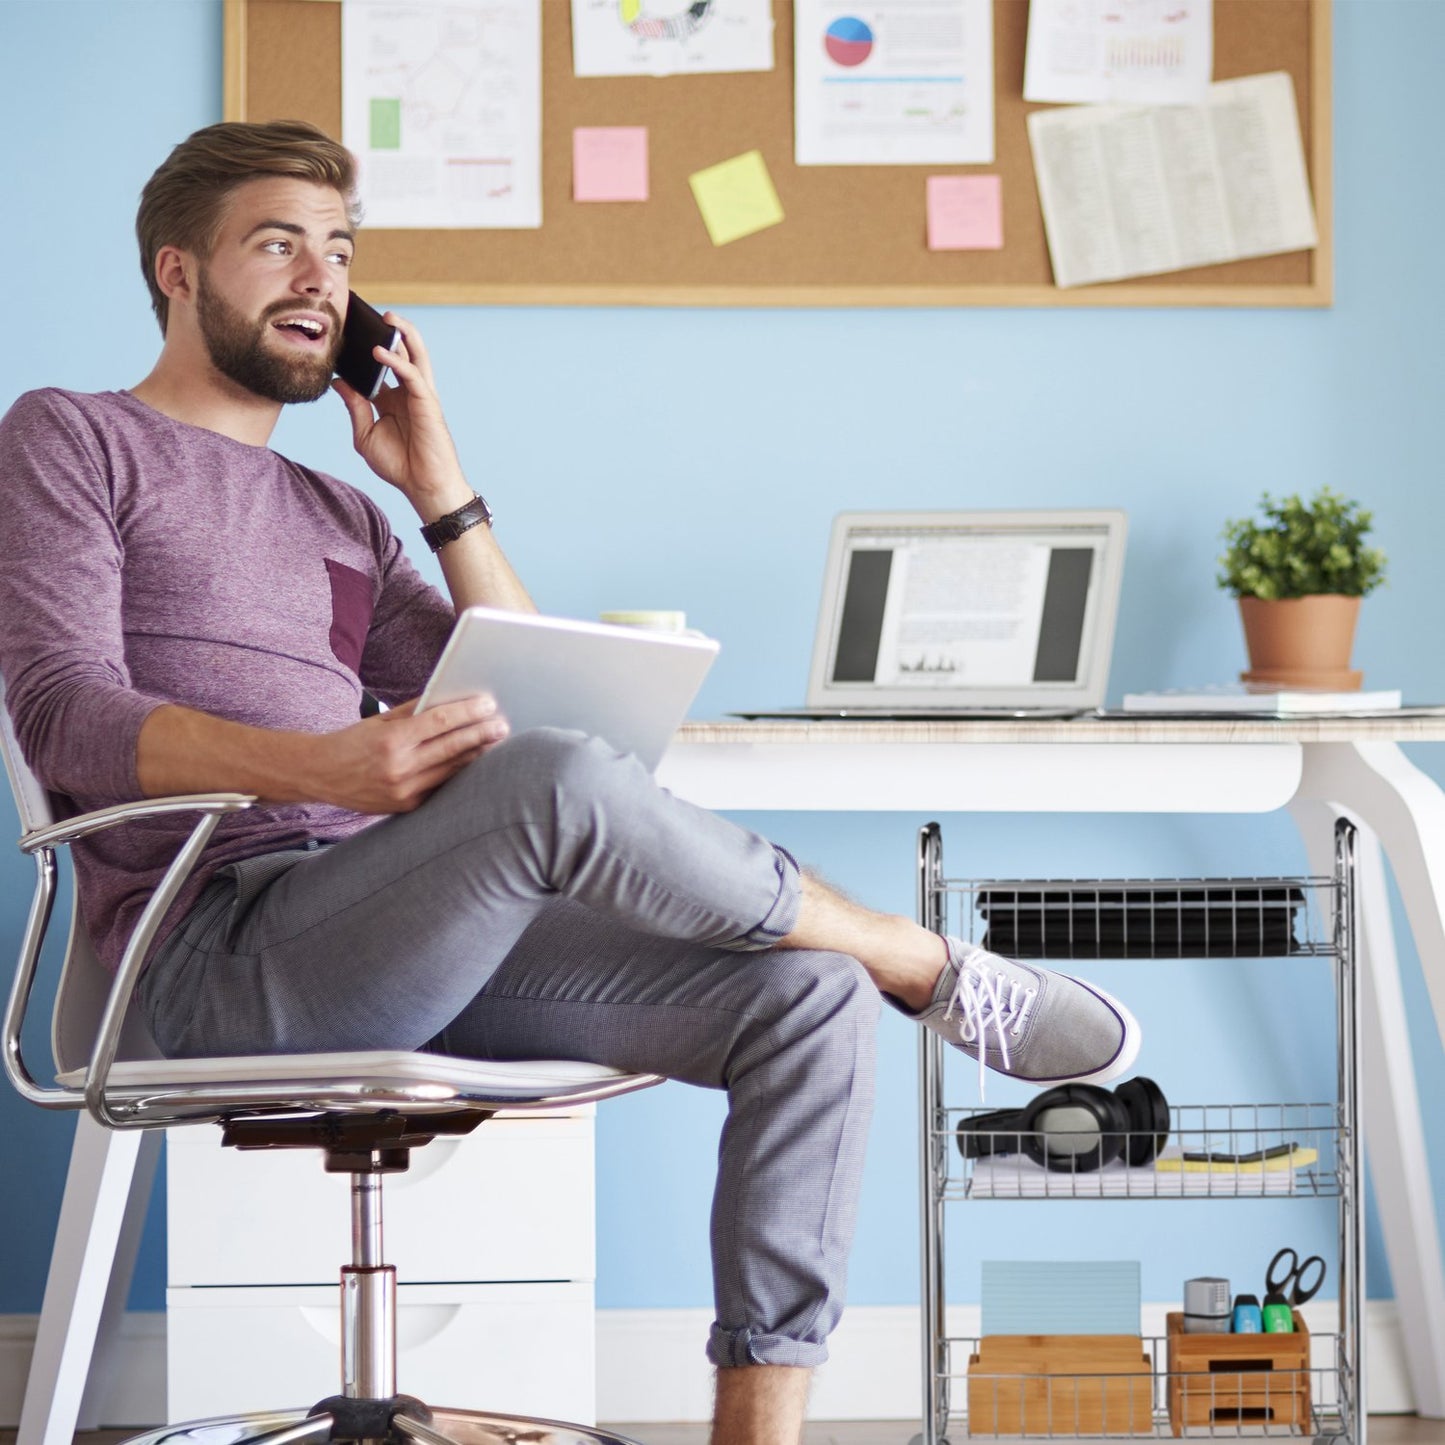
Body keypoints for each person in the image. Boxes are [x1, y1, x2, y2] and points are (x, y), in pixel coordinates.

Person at [0, 121, 1140, 1445]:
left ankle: (755, 1421)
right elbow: (64, 712)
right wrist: (320, 765)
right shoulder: (71, 438)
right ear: (179, 271)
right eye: (277, 245)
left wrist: (438, 483)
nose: (319, 278)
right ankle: (924, 958)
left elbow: (525, 701)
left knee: (808, 996)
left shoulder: (345, 514)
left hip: (385, 932)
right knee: (561, 787)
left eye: (341, 251)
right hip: (203, 952)